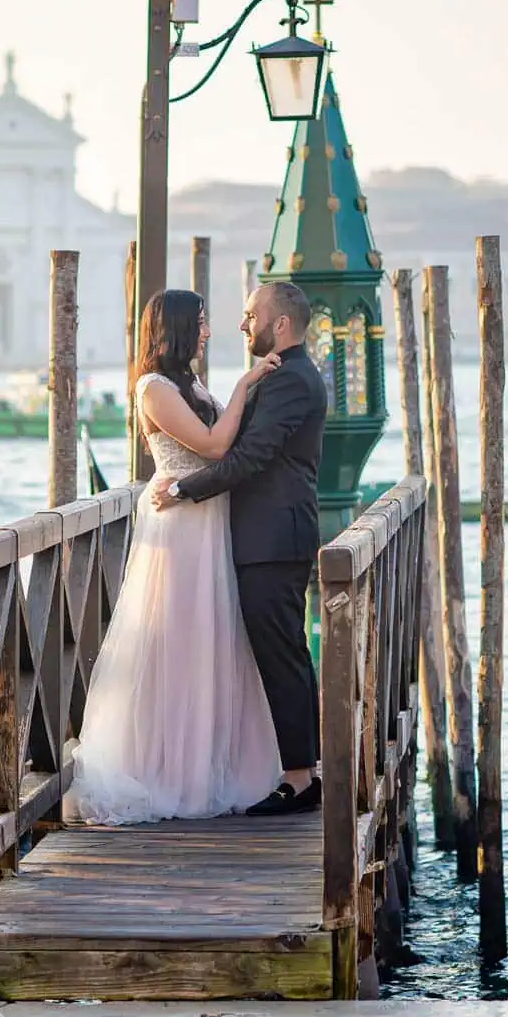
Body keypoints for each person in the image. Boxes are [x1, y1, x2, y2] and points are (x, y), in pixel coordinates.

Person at [66, 289, 285, 825]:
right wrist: (245, 383)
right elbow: (212, 446)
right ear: (181, 328)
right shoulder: (154, 389)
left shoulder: (189, 383)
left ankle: (209, 763)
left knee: (211, 640)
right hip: (179, 525)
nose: (209, 332)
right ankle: (165, 770)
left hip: (207, 518)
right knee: (176, 640)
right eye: (203, 323)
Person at [151, 281, 329, 817]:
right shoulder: (281, 376)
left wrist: (183, 490)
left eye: (250, 314)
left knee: (282, 655)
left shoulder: (292, 381)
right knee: (277, 653)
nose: (242, 324)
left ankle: (301, 779)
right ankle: (295, 770)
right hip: (261, 535)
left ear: (280, 324)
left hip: (273, 538)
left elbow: (249, 457)